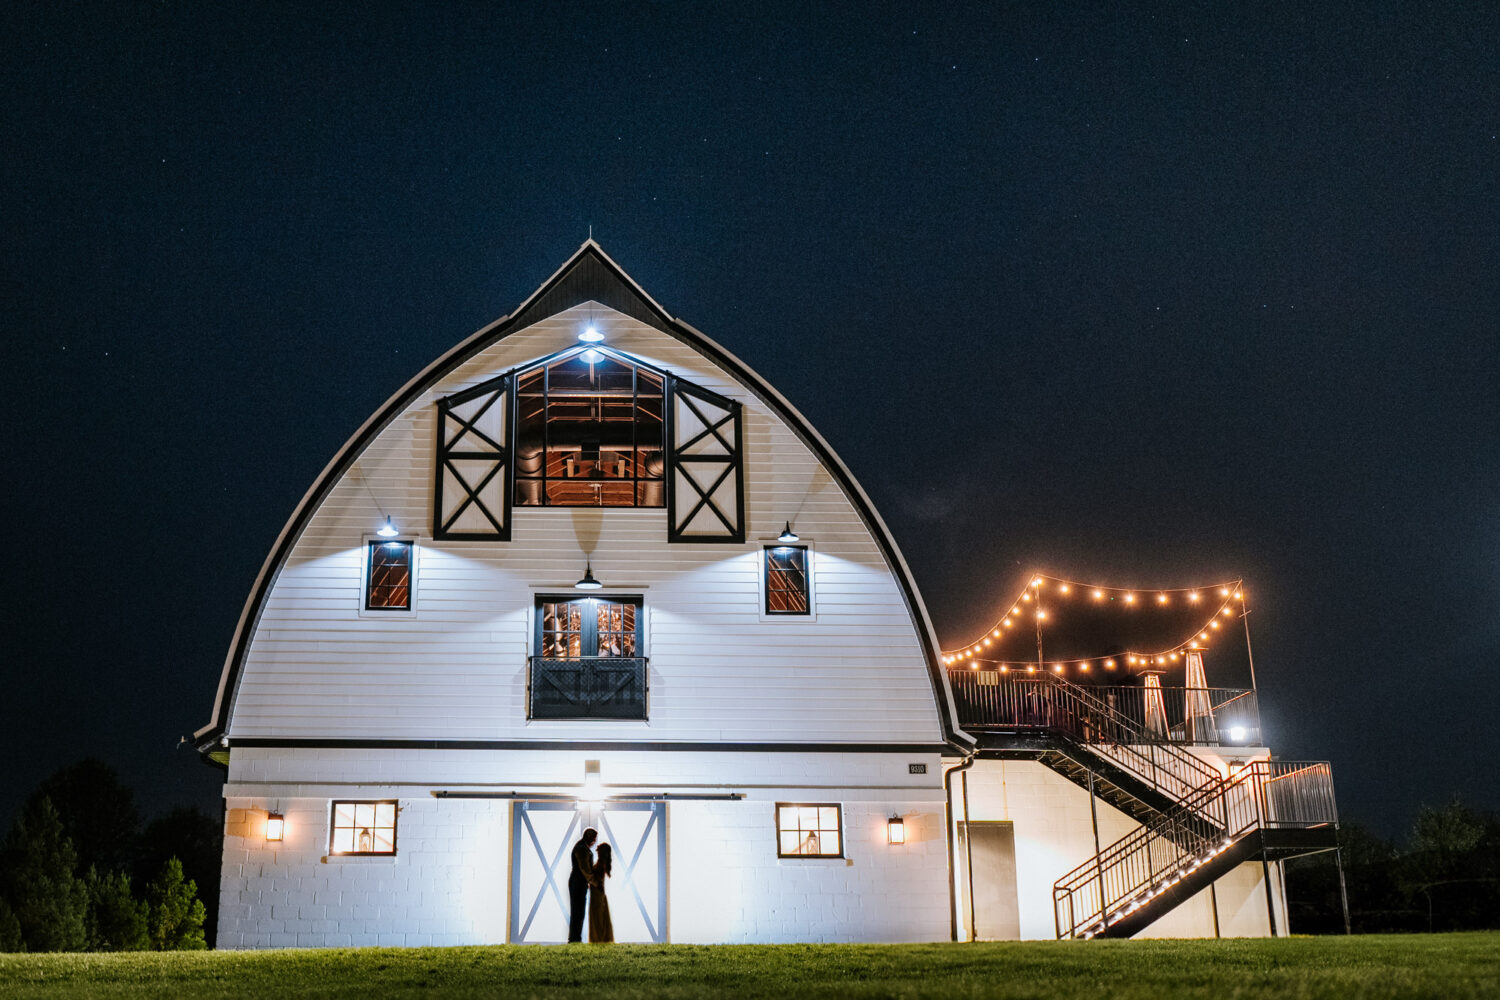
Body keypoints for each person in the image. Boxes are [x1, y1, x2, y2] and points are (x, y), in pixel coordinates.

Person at [567, 827, 597, 943]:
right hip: (577, 883)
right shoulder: (582, 849)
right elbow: (585, 869)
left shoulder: (582, 847)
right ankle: (574, 939)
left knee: (578, 911)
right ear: (590, 838)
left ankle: (575, 938)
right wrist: (594, 882)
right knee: (577, 912)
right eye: (594, 839)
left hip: (579, 883)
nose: (594, 842)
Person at [588, 842, 614, 943]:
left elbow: (596, 878)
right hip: (598, 893)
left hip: (597, 893)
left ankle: (598, 938)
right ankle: (600, 937)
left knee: (597, 917)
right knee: (599, 916)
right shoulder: (602, 863)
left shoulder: (600, 863)